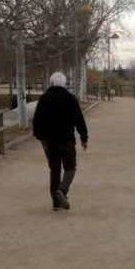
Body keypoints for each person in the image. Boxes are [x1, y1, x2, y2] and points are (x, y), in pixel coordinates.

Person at [32, 72, 88, 211]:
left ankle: (56, 203)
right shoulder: (70, 98)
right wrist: (84, 137)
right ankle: (62, 191)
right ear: (64, 84)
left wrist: (39, 136)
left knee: (54, 169)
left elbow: (37, 120)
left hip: (49, 141)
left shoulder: (44, 98)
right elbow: (79, 119)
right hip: (66, 140)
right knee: (70, 167)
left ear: (51, 83)